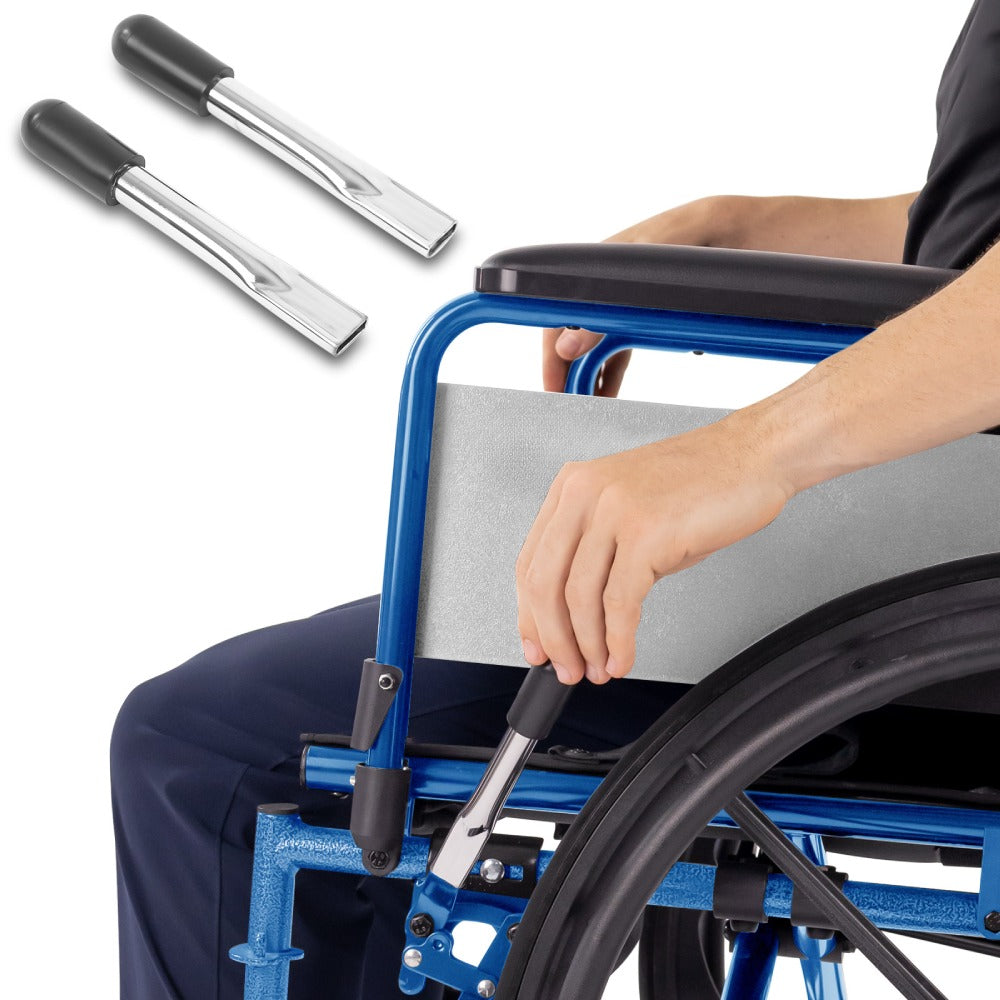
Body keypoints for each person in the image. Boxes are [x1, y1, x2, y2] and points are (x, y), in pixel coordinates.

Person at [111, 2, 1000, 998]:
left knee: (204, 748)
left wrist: (752, 452)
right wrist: (737, 226)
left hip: (941, 605)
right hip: (932, 542)